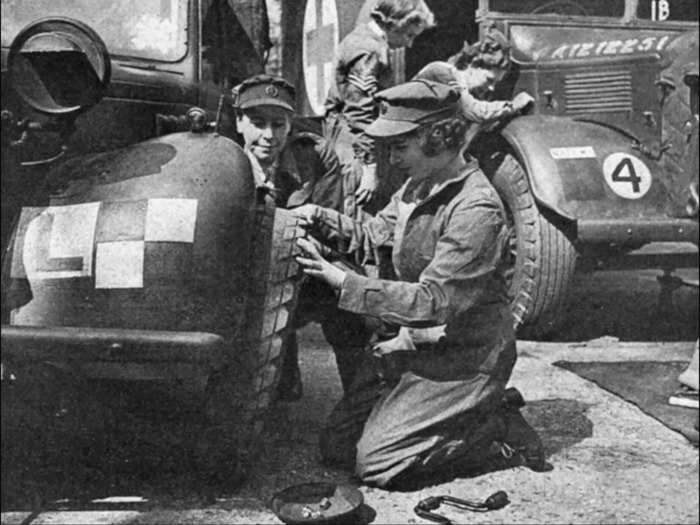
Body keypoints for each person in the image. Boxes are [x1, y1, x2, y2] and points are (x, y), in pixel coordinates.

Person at [294, 79, 545, 488]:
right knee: (338, 448)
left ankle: (492, 424)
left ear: (438, 137)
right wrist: (321, 218)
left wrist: (344, 282)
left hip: (466, 357)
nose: (391, 159)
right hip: (422, 345)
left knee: (376, 465)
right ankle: (439, 413)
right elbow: (374, 236)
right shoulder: (417, 186)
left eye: (400, 146)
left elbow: (435, 301)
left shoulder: (476, 207)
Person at [232, 74, 371, 400]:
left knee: (355, 308)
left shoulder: (314, 157)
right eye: (257, 123)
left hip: (302, 267)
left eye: (278, 124)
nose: (269, 135)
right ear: (239, 122)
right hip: (243, 276)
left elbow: (331, 230)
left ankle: (362, 406)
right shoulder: (223, 162)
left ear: (290, 124)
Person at [324, 0, 435, 219]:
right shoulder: (369, 49)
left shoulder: (365, 39)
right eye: (409, 35)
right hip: (354, 145)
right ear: (394, 24)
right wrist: (369, 168)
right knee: (360, 214)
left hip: (356, 140)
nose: (410, 44)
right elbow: (359, 112)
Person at [413, 29, 534, 135]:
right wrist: (512, 105)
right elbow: (472, 111)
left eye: (494, 84)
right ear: (473, 66)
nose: (491, 88)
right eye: (489, 80)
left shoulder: (464, 90)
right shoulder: (442, 72)